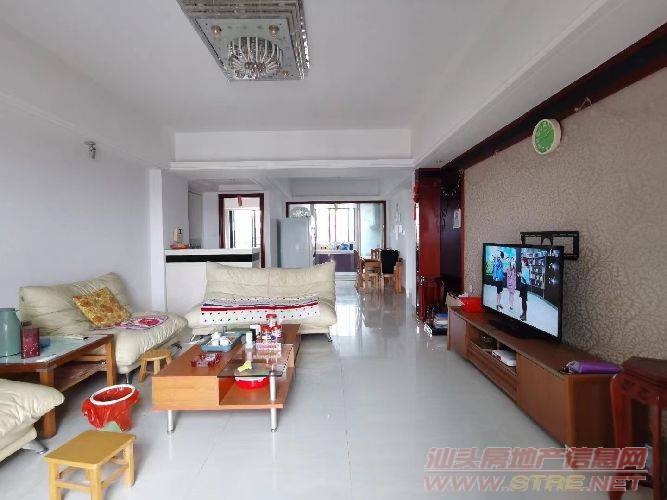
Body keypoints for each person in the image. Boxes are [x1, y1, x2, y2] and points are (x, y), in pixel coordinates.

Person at [519, 256, 530, 321]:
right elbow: (523, 278)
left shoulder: (526, 269)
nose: (521, 262)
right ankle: (523, 314)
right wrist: (520, 275)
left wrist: (521, 276)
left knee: (524, 301)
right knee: (523, 301)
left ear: (525, 262)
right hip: (522, 286)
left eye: (522, 261)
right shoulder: (523, 269)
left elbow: (526, 281)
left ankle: (525, 316)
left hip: (524, 286)